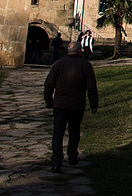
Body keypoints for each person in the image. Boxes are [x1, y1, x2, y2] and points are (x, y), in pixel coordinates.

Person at [44, 41, 98, 173]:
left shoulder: (58, 64)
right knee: (74, 131)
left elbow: (48, 85)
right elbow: (91, 87)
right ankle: (72, 156)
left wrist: (49, 100)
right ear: (80, 51)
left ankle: (57, 161)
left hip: (60, 104)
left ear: (68, 51)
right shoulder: (85, 65)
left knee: (58, 133)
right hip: (76, 105)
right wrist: (93, 105)